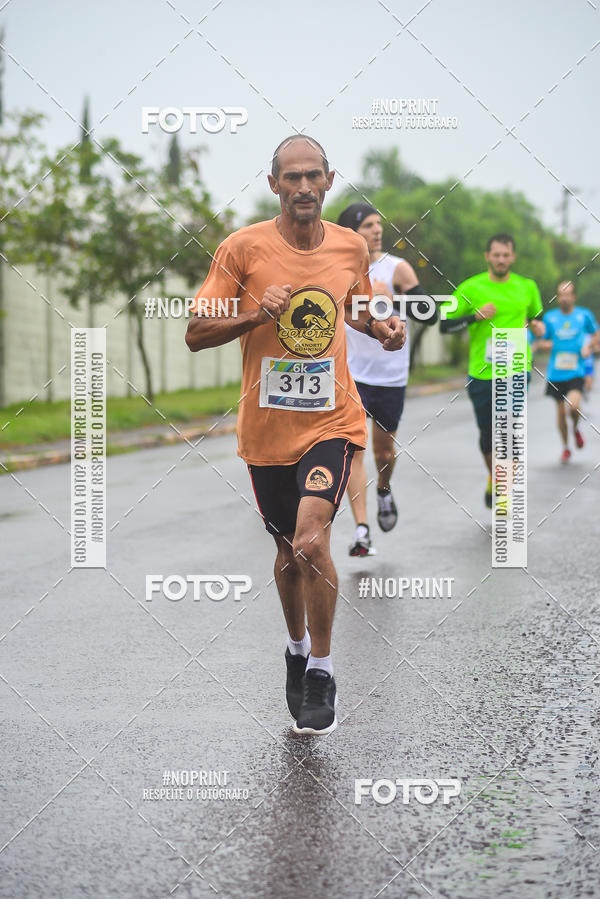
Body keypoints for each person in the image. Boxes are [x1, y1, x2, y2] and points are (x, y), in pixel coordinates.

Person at [185, 136, 406, 735]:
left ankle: (324, 669)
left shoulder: (350, 246)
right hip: (266, 430)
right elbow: (195, 333)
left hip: (333, 418)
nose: (304, 187)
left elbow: (356, 310)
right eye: (293, 178)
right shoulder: (242, 248)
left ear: (330, 181)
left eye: (314, 177)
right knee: (287, 551)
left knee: (312, 541)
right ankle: (295, 646)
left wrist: (383, 329)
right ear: (274, 183)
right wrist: (257, 312)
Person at [337, 203, 438, 556]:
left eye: (379, 224)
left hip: (390, 375)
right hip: (351, 373)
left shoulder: (398, 267)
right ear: (352, 232)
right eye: (368, 225)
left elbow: (431, 312)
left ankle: (383, 489)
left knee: (383, 450)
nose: (377, 230)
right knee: (353, 449)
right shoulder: (341, 267)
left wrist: (392, 299)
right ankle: (362, 529)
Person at [440, 234, 543, 507]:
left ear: (513, 257)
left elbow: (535, 317)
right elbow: (443, 324)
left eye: (506, 255)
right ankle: (494, 478)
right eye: (496, 255)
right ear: (487, 256)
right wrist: (474, 317)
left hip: (517, 370)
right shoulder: (470, 288)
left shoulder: (527, 287)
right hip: (482, 372)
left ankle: (505, 491)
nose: (501, 259)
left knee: (510, 426)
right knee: (488, 434)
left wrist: (538, 326)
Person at [537, 280, 599, 462]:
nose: (564, 298)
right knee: (561, 413)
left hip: (576, 371)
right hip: (555, 373)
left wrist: (590, 346)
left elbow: (596, 335)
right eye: (560, 295)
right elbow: (542, 340)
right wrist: (545, 344)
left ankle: (576, 429)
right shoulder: (550, 317)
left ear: (574, 297)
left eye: (567, 295)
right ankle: (565, 447)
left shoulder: (584, 315)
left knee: (573, 407)